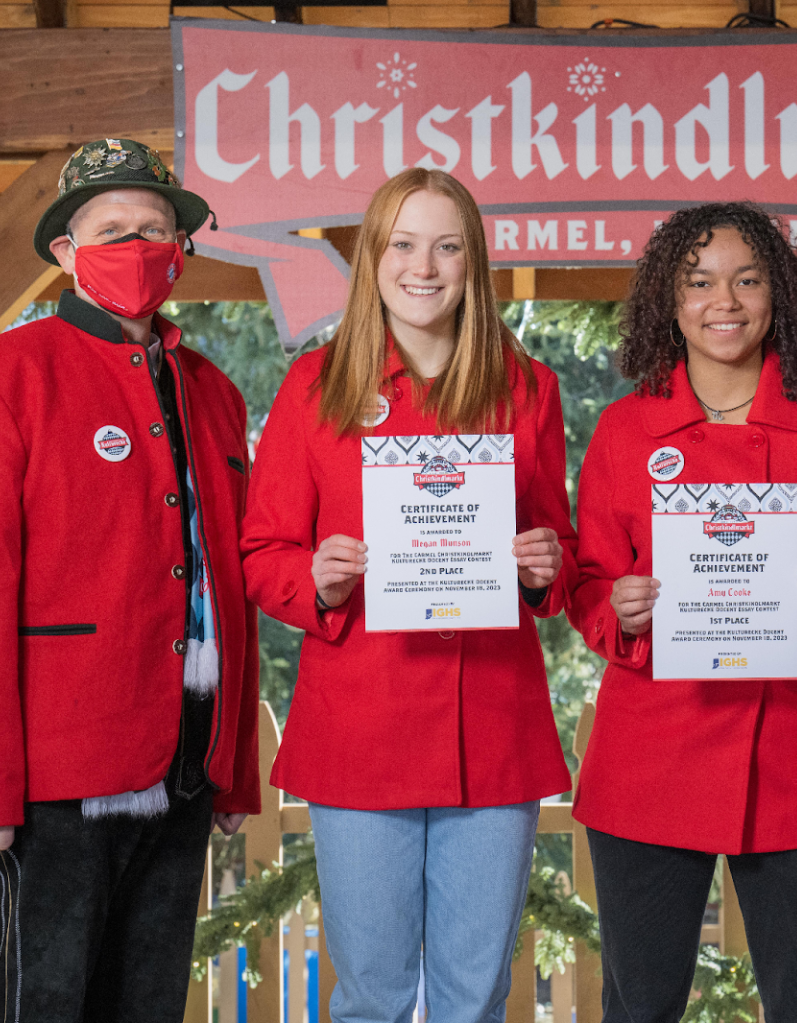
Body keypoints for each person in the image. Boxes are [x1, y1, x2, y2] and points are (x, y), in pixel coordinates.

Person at [0, 137, 261, 1022]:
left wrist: (236, 767)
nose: (136, 247)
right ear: (66, 250)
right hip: (51, 777)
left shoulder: (215, 394)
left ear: (181, 247)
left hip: (186, 762)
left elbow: (230, 590)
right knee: (46, 1006)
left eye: (154, 229)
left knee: (149, 1005)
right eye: (111, 231)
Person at [240, 168, 575, 1023]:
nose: (423, 267)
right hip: (361, 727)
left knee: (477, 998)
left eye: (447, 246)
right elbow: (263, 554)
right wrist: (314, 577)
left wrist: (545, 563)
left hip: (492, 726)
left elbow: (559, 551)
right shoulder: (314, 387)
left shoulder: (528, 388)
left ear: (473, 263)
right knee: (372, 998)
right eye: (403, 244)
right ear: (372, 258)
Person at [568, 201, 797, 1023]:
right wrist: (618, 607)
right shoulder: (625, 429)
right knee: (639, 1007)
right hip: (650, 753)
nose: (725, 301)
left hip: (794, 752)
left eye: (747, 280)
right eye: (700, 282)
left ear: (778, 294)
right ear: (669, 301)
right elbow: (586, 582)